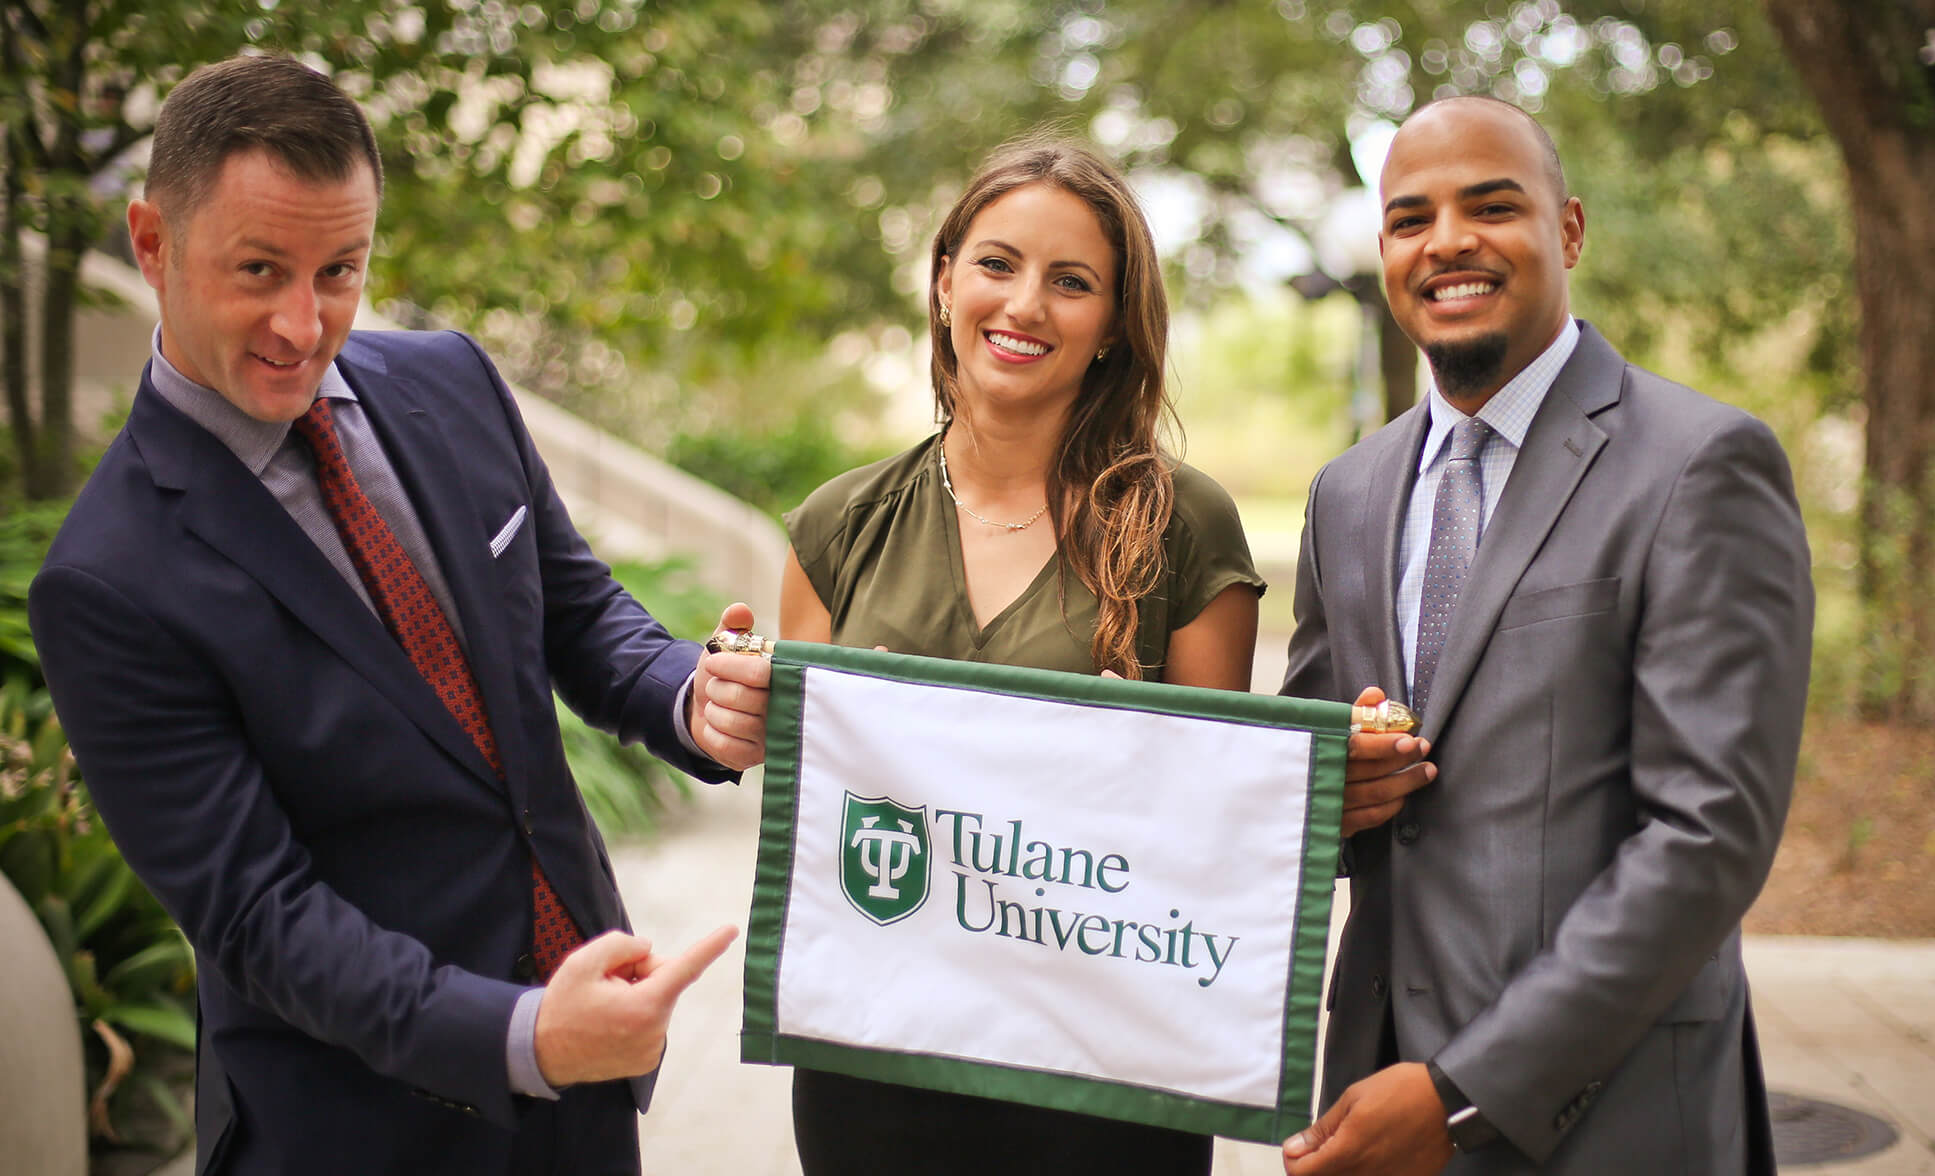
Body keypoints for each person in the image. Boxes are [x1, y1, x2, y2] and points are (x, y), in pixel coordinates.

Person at [27, 56, 773, 1176]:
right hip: (356, 1128)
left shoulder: (452, 382)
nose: (302, 321)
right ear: (150, 243)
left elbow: (578, 616)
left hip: (587, 1075)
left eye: (341, 270)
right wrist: (521, 1037)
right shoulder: (105, 579)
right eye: (258, 270)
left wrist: (690, 697)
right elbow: (260, 917)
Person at [1277, 96, 1814, 1176]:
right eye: (1407, 218)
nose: (1446, 244)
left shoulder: (1699, 465)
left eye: (1490, 206)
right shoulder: (1347, 493)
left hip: (1608, 1119)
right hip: (1371, 1106)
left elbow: (1707, 840)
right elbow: (1297, 774)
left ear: (1565, 232)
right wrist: (1326, 785)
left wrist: (1464, 1094)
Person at [776, 136, 1266, 1173]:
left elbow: (1212, 827)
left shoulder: (1184, 527)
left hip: (1104, 1072)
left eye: (1071, 282)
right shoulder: (835, 526)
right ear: (945, 278)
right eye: (997, 264)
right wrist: (737, 704)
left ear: (1113, 329)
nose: (1025, 305)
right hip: (875, 1062)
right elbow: (809, 799)